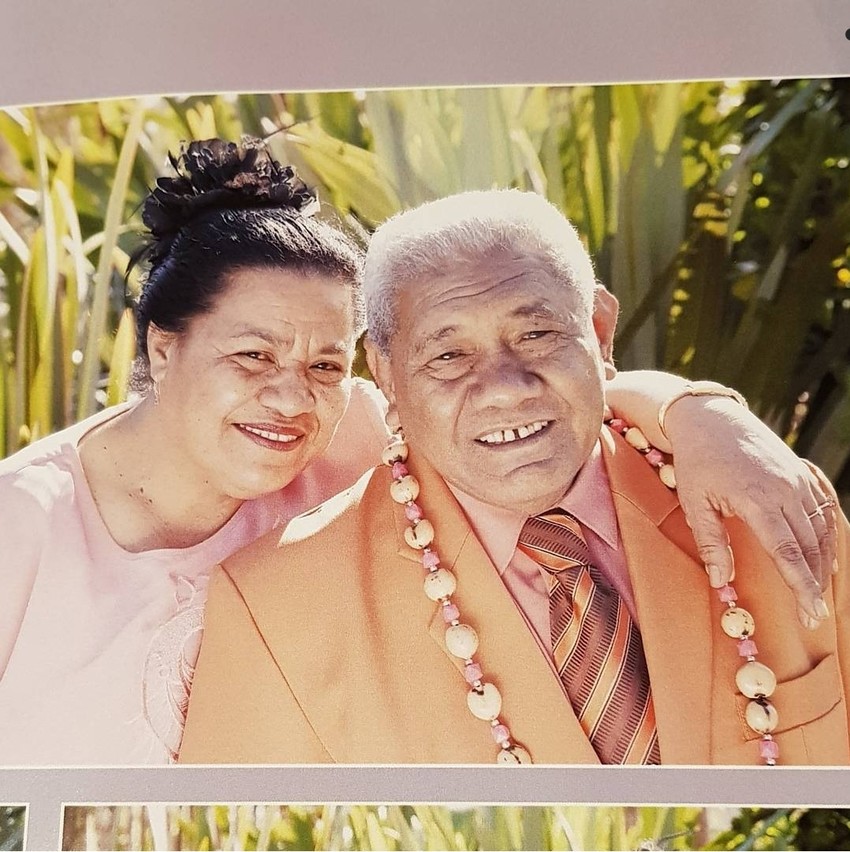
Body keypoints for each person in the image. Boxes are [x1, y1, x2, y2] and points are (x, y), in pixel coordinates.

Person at [179, 189, 849, 766]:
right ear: (384, 374)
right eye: (447, 353)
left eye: (536, 335)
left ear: (599, 331)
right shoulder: (277, 609)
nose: (504, 388)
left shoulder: (768, 507)